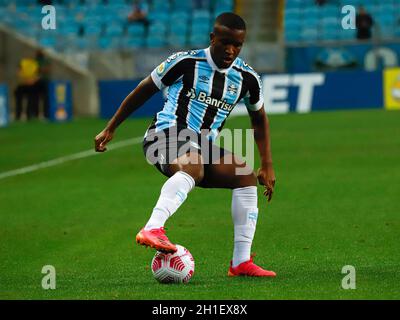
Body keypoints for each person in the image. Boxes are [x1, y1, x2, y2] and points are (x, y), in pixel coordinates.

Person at [94, 13, 277, 277]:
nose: (230, 50)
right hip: (163, 135)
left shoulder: (247, 78)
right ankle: (153, 227)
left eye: (237, 45)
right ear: (212, 38)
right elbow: (144, 89)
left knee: (244, 175)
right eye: (225, 42)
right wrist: (111, 127)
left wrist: (267, 164)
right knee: (193, 165)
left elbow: (259, 118)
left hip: (203, 145)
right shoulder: (185, 62)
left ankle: (240, 262)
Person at [14, 56, 40, 120]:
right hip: (22, 84)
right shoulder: (23, 63)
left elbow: (38, 74)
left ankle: (30, 115)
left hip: (31, 84)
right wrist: (24, 80)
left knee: (32, 99)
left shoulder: (35, 63)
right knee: (19, 98)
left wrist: (33, 80)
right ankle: (18, 115)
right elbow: (18, 73)